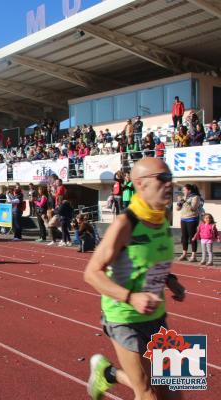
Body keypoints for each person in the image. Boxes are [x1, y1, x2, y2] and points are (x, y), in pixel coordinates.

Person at [84, 157, 186, 400]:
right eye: (162, 179)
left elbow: (148, 259)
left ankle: (107, 374)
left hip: (156, 315)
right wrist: (131, 297)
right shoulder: (125, 224)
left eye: (170, 178)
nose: (169, 184)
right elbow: (91, 273)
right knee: (148, 392)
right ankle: (108, 373)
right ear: (140, 184)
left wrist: (170, 280)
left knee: (174, 391)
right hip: (124, 318)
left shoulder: (163, 217)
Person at [177, 183, 203, 262]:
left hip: (192, 218)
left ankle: (193, 255)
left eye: (184, 190)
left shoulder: (196, 197)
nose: (183, 191)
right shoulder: (181, 197)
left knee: (192, 237)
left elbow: (193, 208)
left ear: (189, 190)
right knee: (184, 237)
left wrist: (186, 200)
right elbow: (177, 209)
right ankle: (184, 254)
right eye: (183, 190)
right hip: (183, 218)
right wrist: (180, 202)